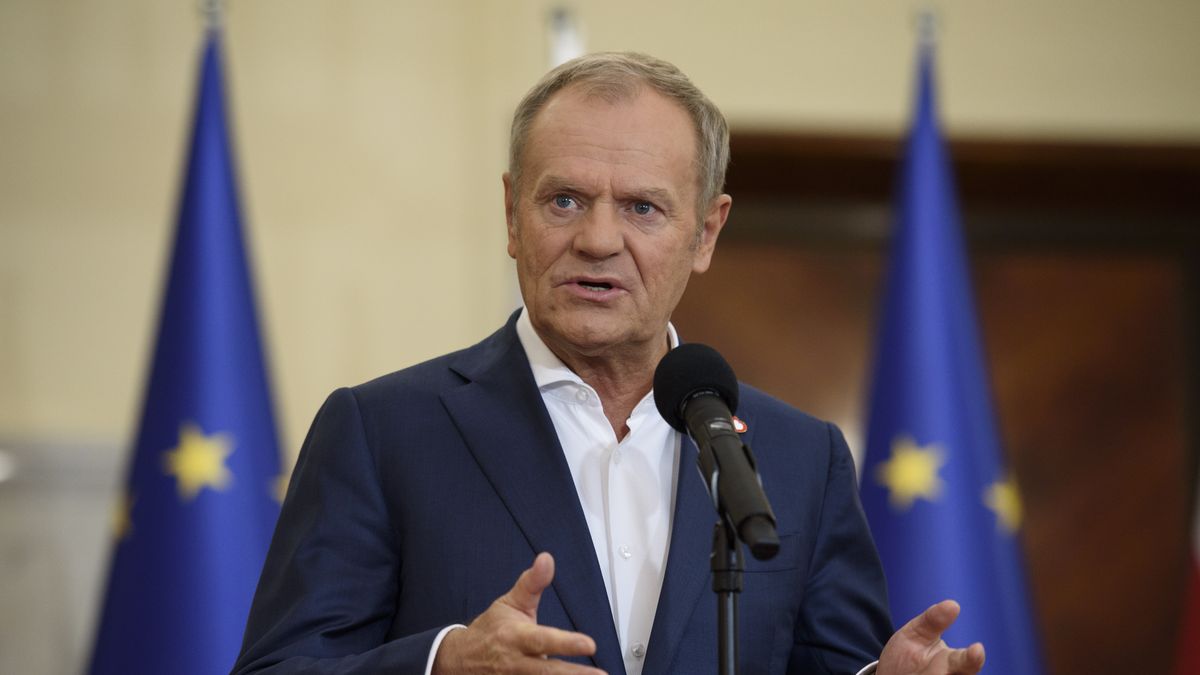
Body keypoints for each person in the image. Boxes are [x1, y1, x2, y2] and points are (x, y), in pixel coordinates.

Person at [234, 52, 986, 675]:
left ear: (705, 232)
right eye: (563, 200)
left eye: (641, 208)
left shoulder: (799, 459)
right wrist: (443, 662)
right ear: (510, 214)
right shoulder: (382, 431)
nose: (597, 239)